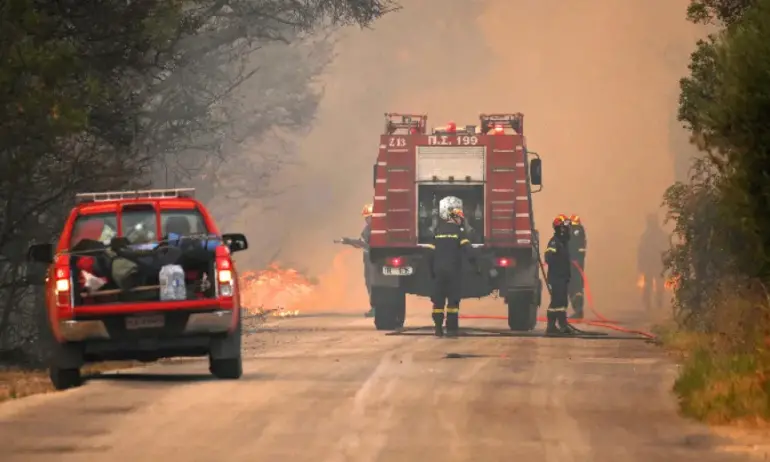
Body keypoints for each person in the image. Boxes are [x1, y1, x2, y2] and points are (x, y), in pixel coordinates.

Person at [424, 203, 478, 337]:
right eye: (460, 219)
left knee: (438, 302)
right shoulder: (458, 233)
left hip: (438, 272)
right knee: (453, 302)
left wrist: (431, 272)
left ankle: (438, 328)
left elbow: (429, 254)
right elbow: (469, 251)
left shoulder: (437, 232)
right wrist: (476, 264)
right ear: (457, 218)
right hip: (453, 273)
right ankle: (451, 329)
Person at [335, 203, 376, 317]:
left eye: (368, 217)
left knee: (373, 283)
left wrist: (349, 241)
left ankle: (377, 308)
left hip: (374, 260)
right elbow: (360, 244)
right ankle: (375, 307)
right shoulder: (367, 229)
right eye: (366, 218)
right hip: (369, 260)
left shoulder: (374, 229)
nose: (366, 220)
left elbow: (363, 244)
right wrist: (349, 242)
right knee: (370, 283)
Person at [544, 215, 574, 334]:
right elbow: (548, 257)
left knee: (561, 302)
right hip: (556, 277)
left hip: (562, 277)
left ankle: (560, 325)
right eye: (565, 227)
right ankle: (553, 327)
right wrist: (558, 266)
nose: (567, 230)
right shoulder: (554, 242)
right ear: (560, 228)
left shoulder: (563, 243)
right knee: (557, 302)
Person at [568, 214, 587, 319]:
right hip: (576, 263)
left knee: (574, 287)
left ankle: (578, 310)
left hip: (574, 264)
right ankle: (578, 311)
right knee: (577, 287)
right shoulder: (580, 231)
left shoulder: (574, 231)